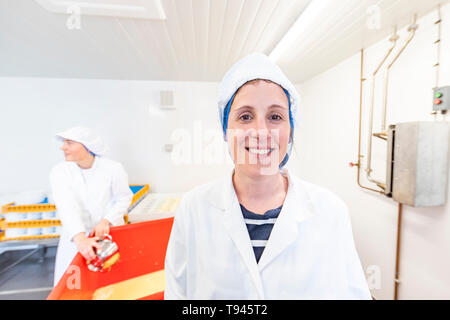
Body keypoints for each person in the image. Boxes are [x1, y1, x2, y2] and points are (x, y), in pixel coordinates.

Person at [164, 53, 372, 299]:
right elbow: (178, 293)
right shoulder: (193, 209)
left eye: (275, 117)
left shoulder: (330, 211)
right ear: (225, 129)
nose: (261, 131)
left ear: (291, 129)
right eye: (245, 116)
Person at [50, 126, 133, 285]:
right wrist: (80, 239)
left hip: (108, 236)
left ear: (87, 147)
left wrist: (106, 220)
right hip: (75, 239)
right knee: (75, 286)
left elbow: (124, 197)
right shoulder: (60, 171)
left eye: (69, 143)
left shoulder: (113, 168)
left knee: (112, 283)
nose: (63, 147)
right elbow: (66, 206)